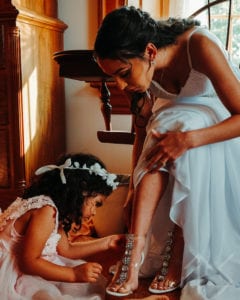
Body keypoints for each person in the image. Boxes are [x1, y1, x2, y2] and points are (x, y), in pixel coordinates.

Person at [93, 5, 240, 300]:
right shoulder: (141, 78)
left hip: (222, 130)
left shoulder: (198, 46)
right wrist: (133, 190)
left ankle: (180, 250)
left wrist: (188, 140)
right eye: (114, 78)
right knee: (164, 125)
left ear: (150, 51)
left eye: (123, 73)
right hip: (173, 129)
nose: (121, 85)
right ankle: (133, 261)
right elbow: (141, 132)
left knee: (181, 123)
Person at [0, 152, 122, 300]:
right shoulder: (46, 210)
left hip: (24, 267)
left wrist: (108, 242)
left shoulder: (53, 207)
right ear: (82, 192)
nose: (94, 212)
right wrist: (73, 274)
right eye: (95, 203)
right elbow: (29, 262)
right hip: (12, 273)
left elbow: (65, 250)